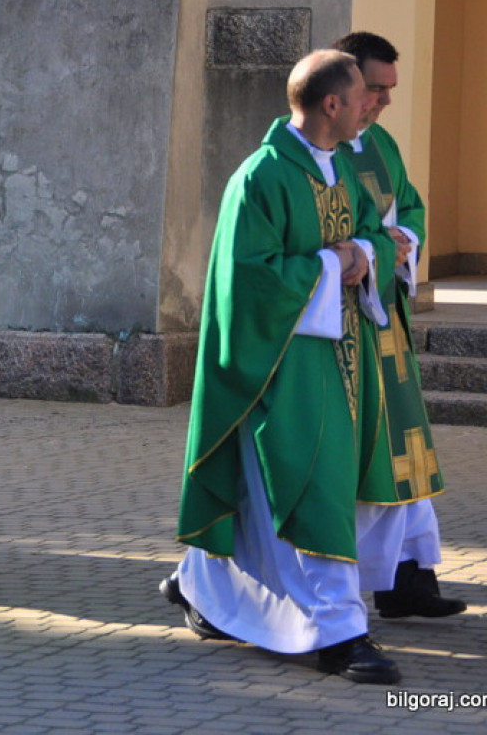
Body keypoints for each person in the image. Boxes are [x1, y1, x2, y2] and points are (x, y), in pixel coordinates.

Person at [160, 50, 403, 683]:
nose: (370, 109)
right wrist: (331, 265)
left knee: (263, 495)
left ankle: (202, 585)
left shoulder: (339, 170)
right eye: (361, 99)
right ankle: (339, 632)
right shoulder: (262, 177)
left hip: (339, 353)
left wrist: (361, 252)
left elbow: (373, 234)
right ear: (331, 105)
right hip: (277, 363)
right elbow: (248, 280)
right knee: (308, 490)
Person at [332, 31, 466, 619]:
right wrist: (375, 247)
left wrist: (402, 240)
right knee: (371, 459)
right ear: (345, 84)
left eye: (390, 90)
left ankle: (410, 579)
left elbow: (409, 205)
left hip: (388, 322)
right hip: (347, 329)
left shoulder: (380, 143)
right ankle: (387, 581)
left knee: (409, 451)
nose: (383, 102)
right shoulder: (319, 147)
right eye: (375, 89)